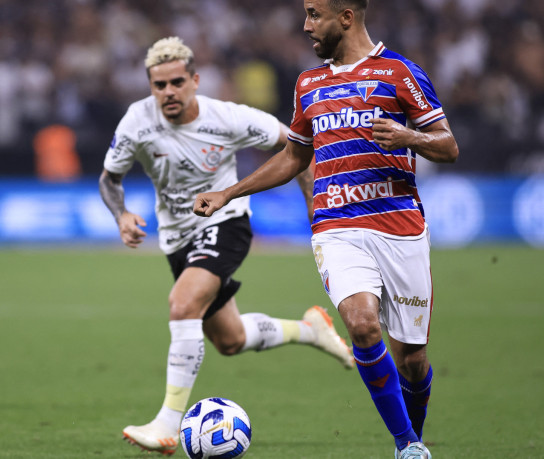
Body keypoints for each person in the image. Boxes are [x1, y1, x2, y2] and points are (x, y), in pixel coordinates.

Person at [194, 1, 459, 458]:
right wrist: (229, 193)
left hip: (399, 225)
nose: (306, 25)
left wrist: (409, 137)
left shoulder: (400, 73)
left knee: (412, 360)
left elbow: (448, 146)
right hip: (336, 226)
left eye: (315, 14)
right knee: (362, 325)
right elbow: (294, 157)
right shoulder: (309, 84)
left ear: (346, 18)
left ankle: (412, 437)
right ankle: (408, 445)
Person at [99, 36, 355, 456]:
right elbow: (109, 179)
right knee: (230, 339)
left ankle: (167, 424)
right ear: (150, 87)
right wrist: (121, 214)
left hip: (225, 221)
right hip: (177, 238)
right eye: (159, 85)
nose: (169, 92)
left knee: (183, 303)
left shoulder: (228, 118)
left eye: (177, 82)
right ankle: (310, 330)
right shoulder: (136, 121)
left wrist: (314, 202)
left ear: (195, 80)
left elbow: (298, 145)